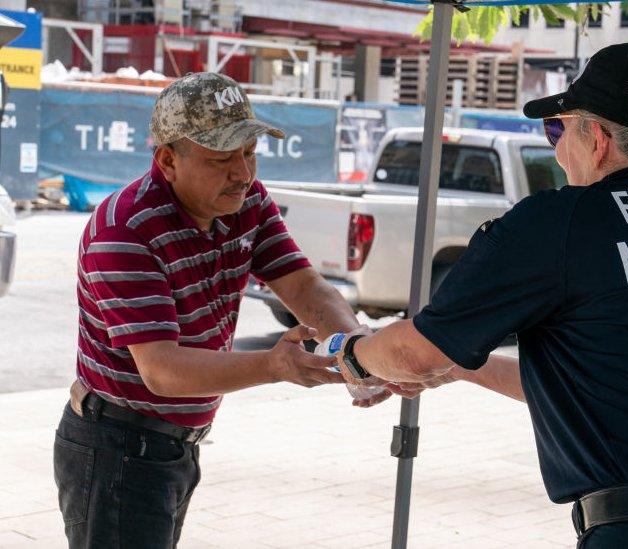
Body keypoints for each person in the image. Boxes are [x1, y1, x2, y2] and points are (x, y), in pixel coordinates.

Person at [332, 43, 628, 547]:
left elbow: (414, 351)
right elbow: (616, 383)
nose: (556, 149)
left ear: (597, 137)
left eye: (557, 129)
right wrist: (459, 367)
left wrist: (352, 356)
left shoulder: (562, 222)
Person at [53, 72, 389, 548]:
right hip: (116, 447)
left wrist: (357, 347)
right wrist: (275, 364)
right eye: (222, 159)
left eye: (250, 152)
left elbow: (302, 284)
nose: (244, 173)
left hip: (174, 444)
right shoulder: (124, 230)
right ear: (168, 160)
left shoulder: (245, 200)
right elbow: (164, 372)